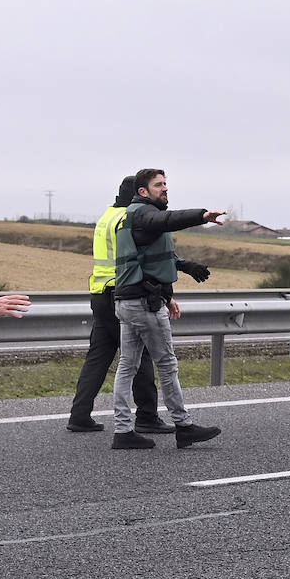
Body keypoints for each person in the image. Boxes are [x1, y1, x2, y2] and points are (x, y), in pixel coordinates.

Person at [67, 176, 207, 434]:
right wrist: (167, 291)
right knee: (140, 357)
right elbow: (145, 256)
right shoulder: (131, 217)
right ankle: (146, 416)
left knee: (99, 357)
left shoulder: (106, 217)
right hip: (126, 291)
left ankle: (79, 414)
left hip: (100, 293)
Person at [109, 168, 225, 450]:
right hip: (144, 304)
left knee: (127, 366)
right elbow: (168, 220)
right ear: (143, 192)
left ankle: (123, 430)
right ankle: (183, 426)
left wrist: (186, 266)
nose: (165, 189)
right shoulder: (143, 214)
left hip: (127, 301)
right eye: (158, 185)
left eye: (166, 184)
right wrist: (202, 215)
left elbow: (152, 254)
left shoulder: (131, 218)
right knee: (167, 365)